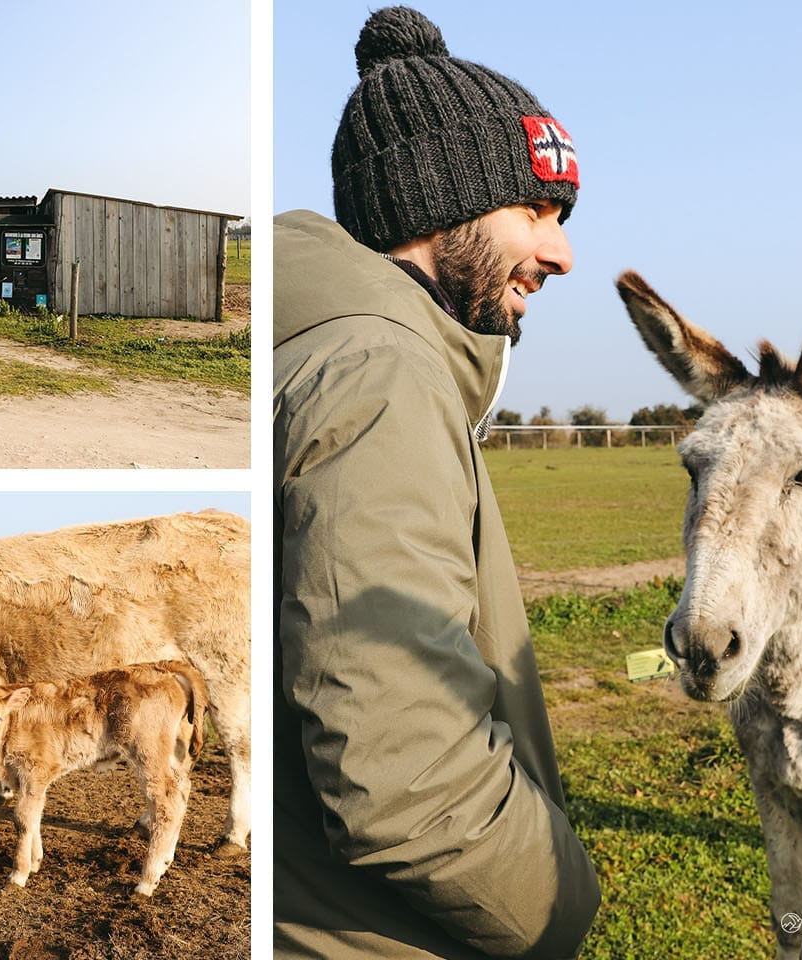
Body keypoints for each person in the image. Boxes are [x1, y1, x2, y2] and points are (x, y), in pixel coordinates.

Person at [273, 6, 601, 958]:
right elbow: (404, 775)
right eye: (534, 212)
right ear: (436, 202)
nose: (561, 252)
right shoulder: (382, 376)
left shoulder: (324, 350)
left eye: (562, 218)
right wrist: (559, 905)